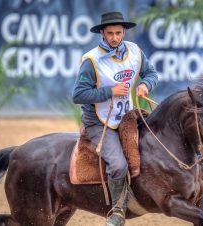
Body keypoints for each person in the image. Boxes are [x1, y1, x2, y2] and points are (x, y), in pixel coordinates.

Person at [72, 11, 158, 226]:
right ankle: (117, 210)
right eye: (110, 33)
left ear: (124, 32)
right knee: (119, 165)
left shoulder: (135, 51)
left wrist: (145, 85)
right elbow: (78, 95)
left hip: (127, 115)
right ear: (102, 33)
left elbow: (151, 73)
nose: (114, 38)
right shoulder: (91, 60)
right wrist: (110, 91)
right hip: (99, 122)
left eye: (118, 33)